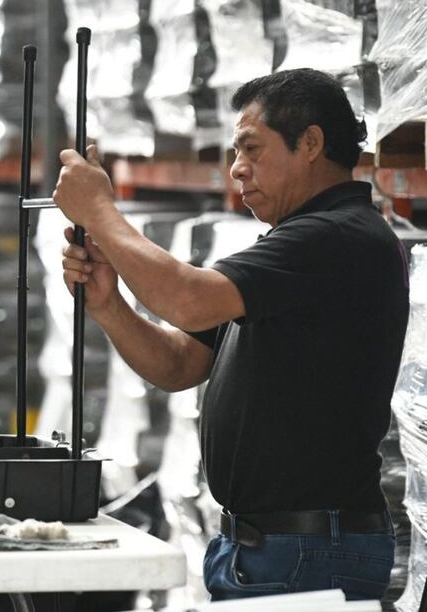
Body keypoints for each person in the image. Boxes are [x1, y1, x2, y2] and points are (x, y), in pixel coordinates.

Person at [55, 68, 407, 601]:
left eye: (251, 148)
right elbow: (180, 364)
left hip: (309, 549)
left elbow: (188, 298)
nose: (237, 168)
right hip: (270, 547)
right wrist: (109, 306)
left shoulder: (338, 235)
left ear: (310, 143)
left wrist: (101, 212)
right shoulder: (294, 244)